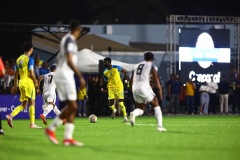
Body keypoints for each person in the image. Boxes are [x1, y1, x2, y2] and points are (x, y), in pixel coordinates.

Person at [44, 19, 85, 146]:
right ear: (77, 30)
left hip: (64, 74)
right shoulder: (70, 40)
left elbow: (59, 58)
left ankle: (68, 137)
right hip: (65, 75)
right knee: (73, 106)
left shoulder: (66, 40)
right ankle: (51, 128)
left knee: (71, 107)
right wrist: (80, 76)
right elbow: (69, 59)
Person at [6, 42, 41, 128]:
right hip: (29, 83)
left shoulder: (18, 59)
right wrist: (36, 83)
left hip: (21, 83)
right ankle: (32, 124)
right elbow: (31, 73)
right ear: (31, 49)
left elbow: (15, 74)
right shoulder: (30, 59)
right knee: (32, 102)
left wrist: (15, 86)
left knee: (24, 105)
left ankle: (10, 116)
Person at [129, 52, 166, 132]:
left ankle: (133, 114)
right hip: (144, 87)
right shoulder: (152, 66)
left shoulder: (136, 66)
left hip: (135, 88)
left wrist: (131, 89)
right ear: (152, 59)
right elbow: (156, 78)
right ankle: (160, 126)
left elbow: (131, 79)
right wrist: (159, 89)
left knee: (141, 109)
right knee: (156, 105)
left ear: (144, 58)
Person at [103, 57, 128, 122]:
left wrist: (125, 80)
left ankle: (125, 118)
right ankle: (114, 110)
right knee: (110, 105)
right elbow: (106, 80)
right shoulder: (105, 72)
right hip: (111, 88)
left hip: (119, 87)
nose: (104, 63)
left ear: (109, 62)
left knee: (121, 104)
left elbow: (125, 71)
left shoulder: (116, 67)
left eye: (105, 62)